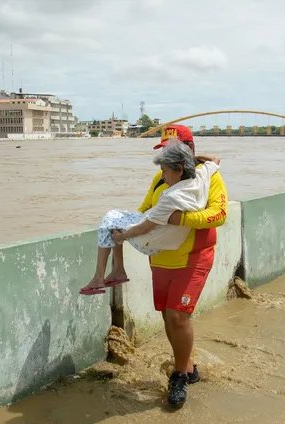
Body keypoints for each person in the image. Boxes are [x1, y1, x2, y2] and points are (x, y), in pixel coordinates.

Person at [140, 124, 228, 407]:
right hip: (161, 258)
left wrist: (180, 220)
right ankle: (188, 367)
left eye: (171, 150)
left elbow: (219, 214)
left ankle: (178, 376)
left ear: (189, 150)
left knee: (178, 315)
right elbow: (145, 210)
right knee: (168, 316)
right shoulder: (159, 178)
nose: (166, 155)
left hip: (194, 256)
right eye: (163, 150)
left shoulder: (209, 177)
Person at [79, 139, 220, 295]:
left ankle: (99, 277)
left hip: (149, 241)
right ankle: (118, 270)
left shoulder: (171, 197)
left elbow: (143, 228)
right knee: (116, 219)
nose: (163, 176)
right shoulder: (201, 177)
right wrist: (187, 157)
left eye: (165, 171)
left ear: (179, 169)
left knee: (110, 219)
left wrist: (121, 236)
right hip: (169, 238)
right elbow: (215, 160)